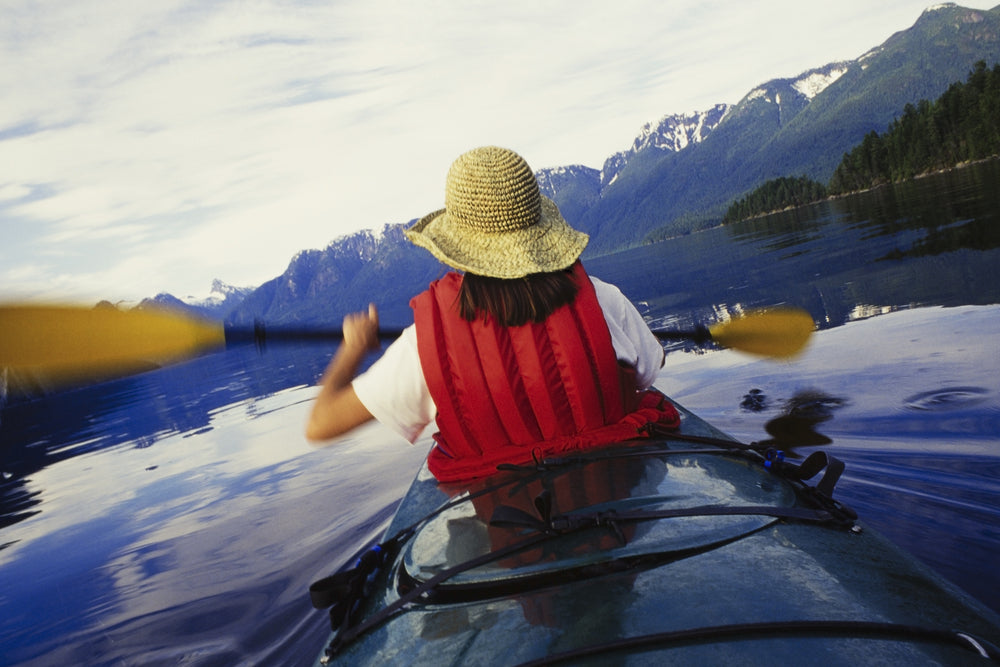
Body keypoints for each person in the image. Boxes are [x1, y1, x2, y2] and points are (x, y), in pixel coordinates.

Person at [306, 146, 678, 482]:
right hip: (619, 506)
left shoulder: (423, 345)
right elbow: (651, 366)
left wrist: (353, 348)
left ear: (457, 245)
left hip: (508, 538)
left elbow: (320, 424)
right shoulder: (602, 298)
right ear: (540, 232)